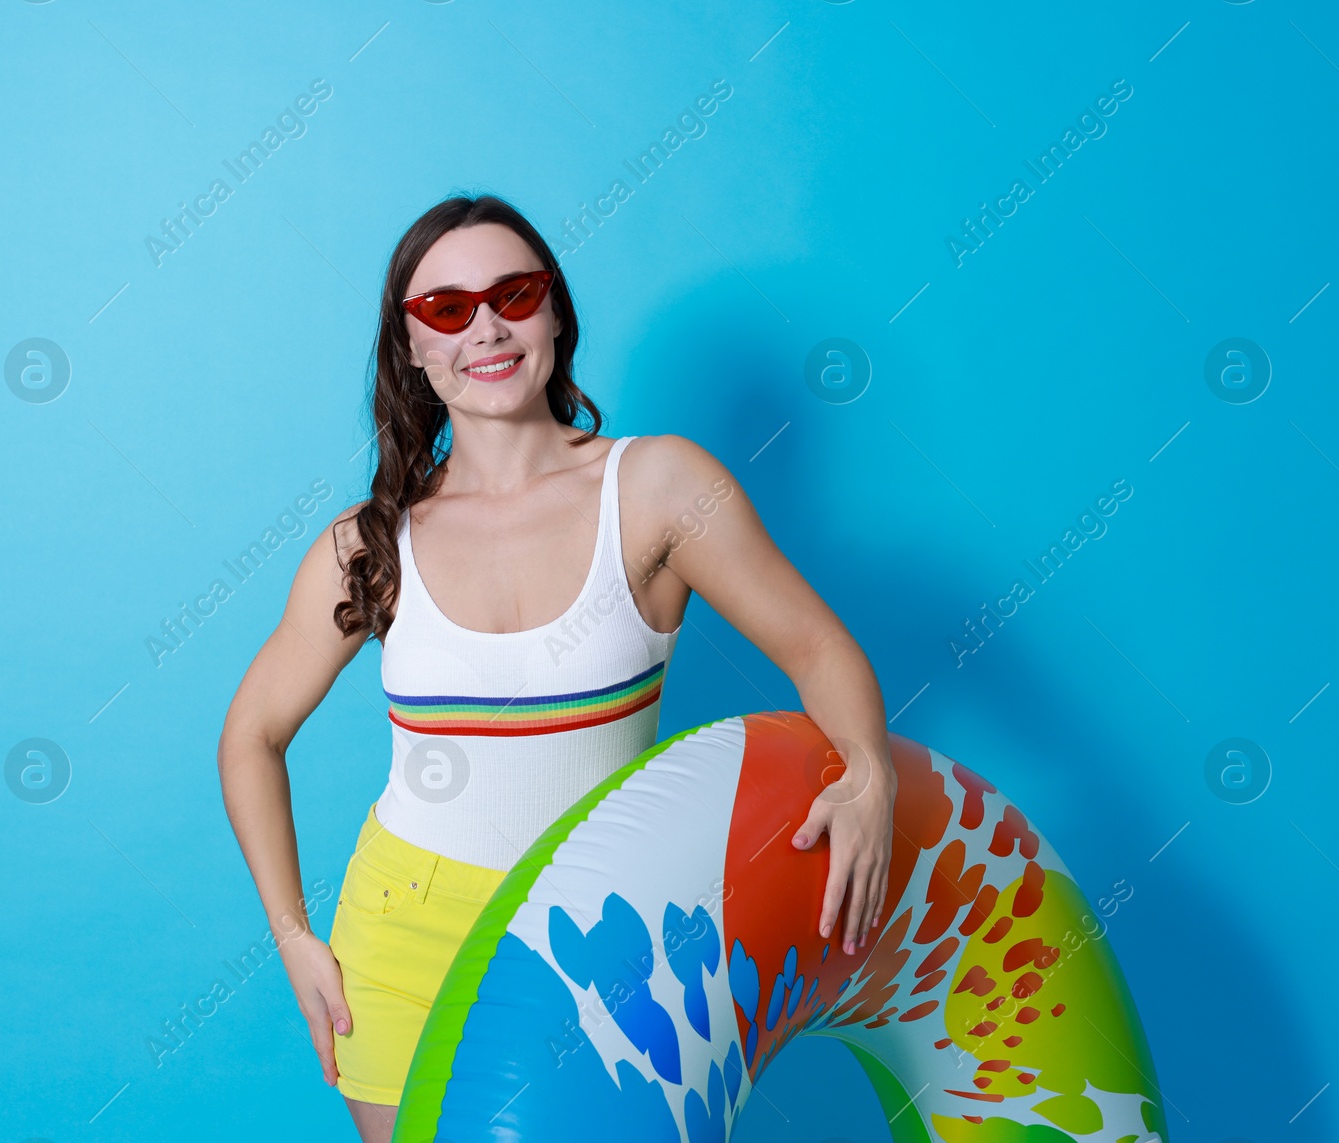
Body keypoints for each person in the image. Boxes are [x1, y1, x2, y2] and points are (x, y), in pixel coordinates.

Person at [217, 194, 898, 1142]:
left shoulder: (657, 489)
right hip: (402, 934)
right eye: (445, 310)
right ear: (409, 346)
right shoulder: (370, 544)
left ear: (555, 313)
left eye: (514, 293)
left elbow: (818, 647)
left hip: (606, 933)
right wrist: (295, 937)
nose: (485, 327)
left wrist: (868, 770)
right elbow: (251, 735)